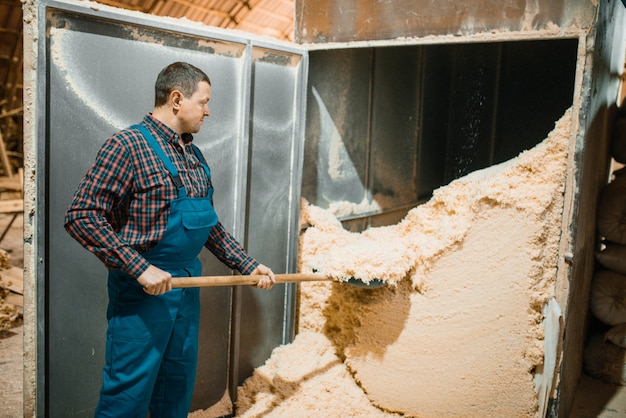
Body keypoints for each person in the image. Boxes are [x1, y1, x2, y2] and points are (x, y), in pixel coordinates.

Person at [64, 61, 276, 417]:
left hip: (185, 286)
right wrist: (139, 267)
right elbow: (81, 215)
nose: (208, 111)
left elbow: (208, 224)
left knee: (176, 387)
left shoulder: (193, 155)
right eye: (204, 102)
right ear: (177, 99)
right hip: (142, 291)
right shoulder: (127, 146)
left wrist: (248, 264)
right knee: (128, 394)